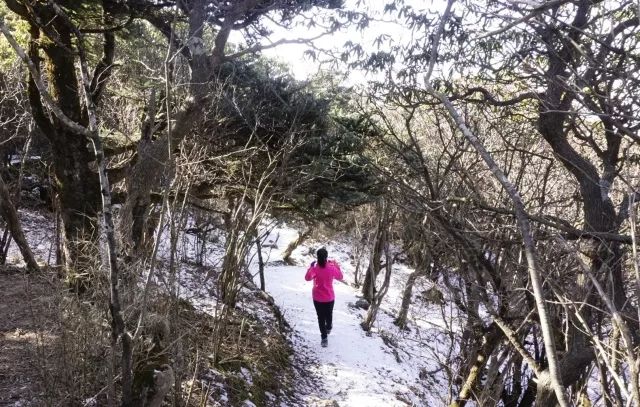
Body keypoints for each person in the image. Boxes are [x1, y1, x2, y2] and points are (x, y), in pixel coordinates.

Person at [305, 247, 343, 347]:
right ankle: (329, 327)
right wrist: (336, 265)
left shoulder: (315, 269)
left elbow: (307, 278)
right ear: (326, 257)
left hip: (317, 298)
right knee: (329, 314)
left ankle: (324, 338)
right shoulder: (331, 267)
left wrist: (311, 267)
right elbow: (340, 277)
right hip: (329, 298)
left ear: (317, 257)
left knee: (320, 317)